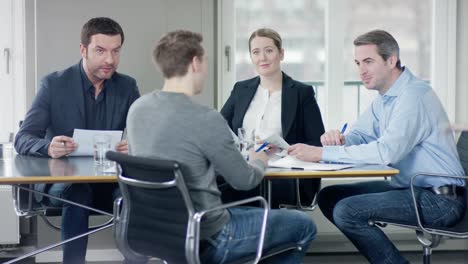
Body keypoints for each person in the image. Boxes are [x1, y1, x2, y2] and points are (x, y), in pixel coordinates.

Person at [127, 30, 316, 264]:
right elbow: (244, 180)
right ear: (195, 63)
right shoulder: (205, 117)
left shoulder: (138, 108)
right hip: (211, 234)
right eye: (205, 61)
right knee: (304, 226)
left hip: (155, 230)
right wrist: (259, 159)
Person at [287, 29, 466, 263]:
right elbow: (361, 134)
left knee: (347, 210)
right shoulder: (386, 97)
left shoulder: (413, 96)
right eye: (358, 62)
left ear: (391, 61)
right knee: (330, 197)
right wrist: (340, 140)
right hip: (409, 188)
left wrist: (323, 154)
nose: (361, 70)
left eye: (368, 61)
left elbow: (385, 152)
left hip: (440, 201)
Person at [14, 17, 140, 263]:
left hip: (107, 180)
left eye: (116, 51)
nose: (110, 60)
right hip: (63, 184)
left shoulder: (127, 87)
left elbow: (144, 135)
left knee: (130, 196)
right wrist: (48, 147)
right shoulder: (54, 84)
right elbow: (23, 138)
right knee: (78, 192)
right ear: (83, 49)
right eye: (100, 51)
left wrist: (135, 144)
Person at [221, 28, 325, 208]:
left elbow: (316, 143)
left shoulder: (302, 93)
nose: (262, 58)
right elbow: (219, 127)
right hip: (245, 169)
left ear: (281, 53)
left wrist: (283, 148)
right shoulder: (240, 90)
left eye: (269, 50)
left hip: (284, 174)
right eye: (256, 52)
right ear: (251, 57)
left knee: (239, 190)